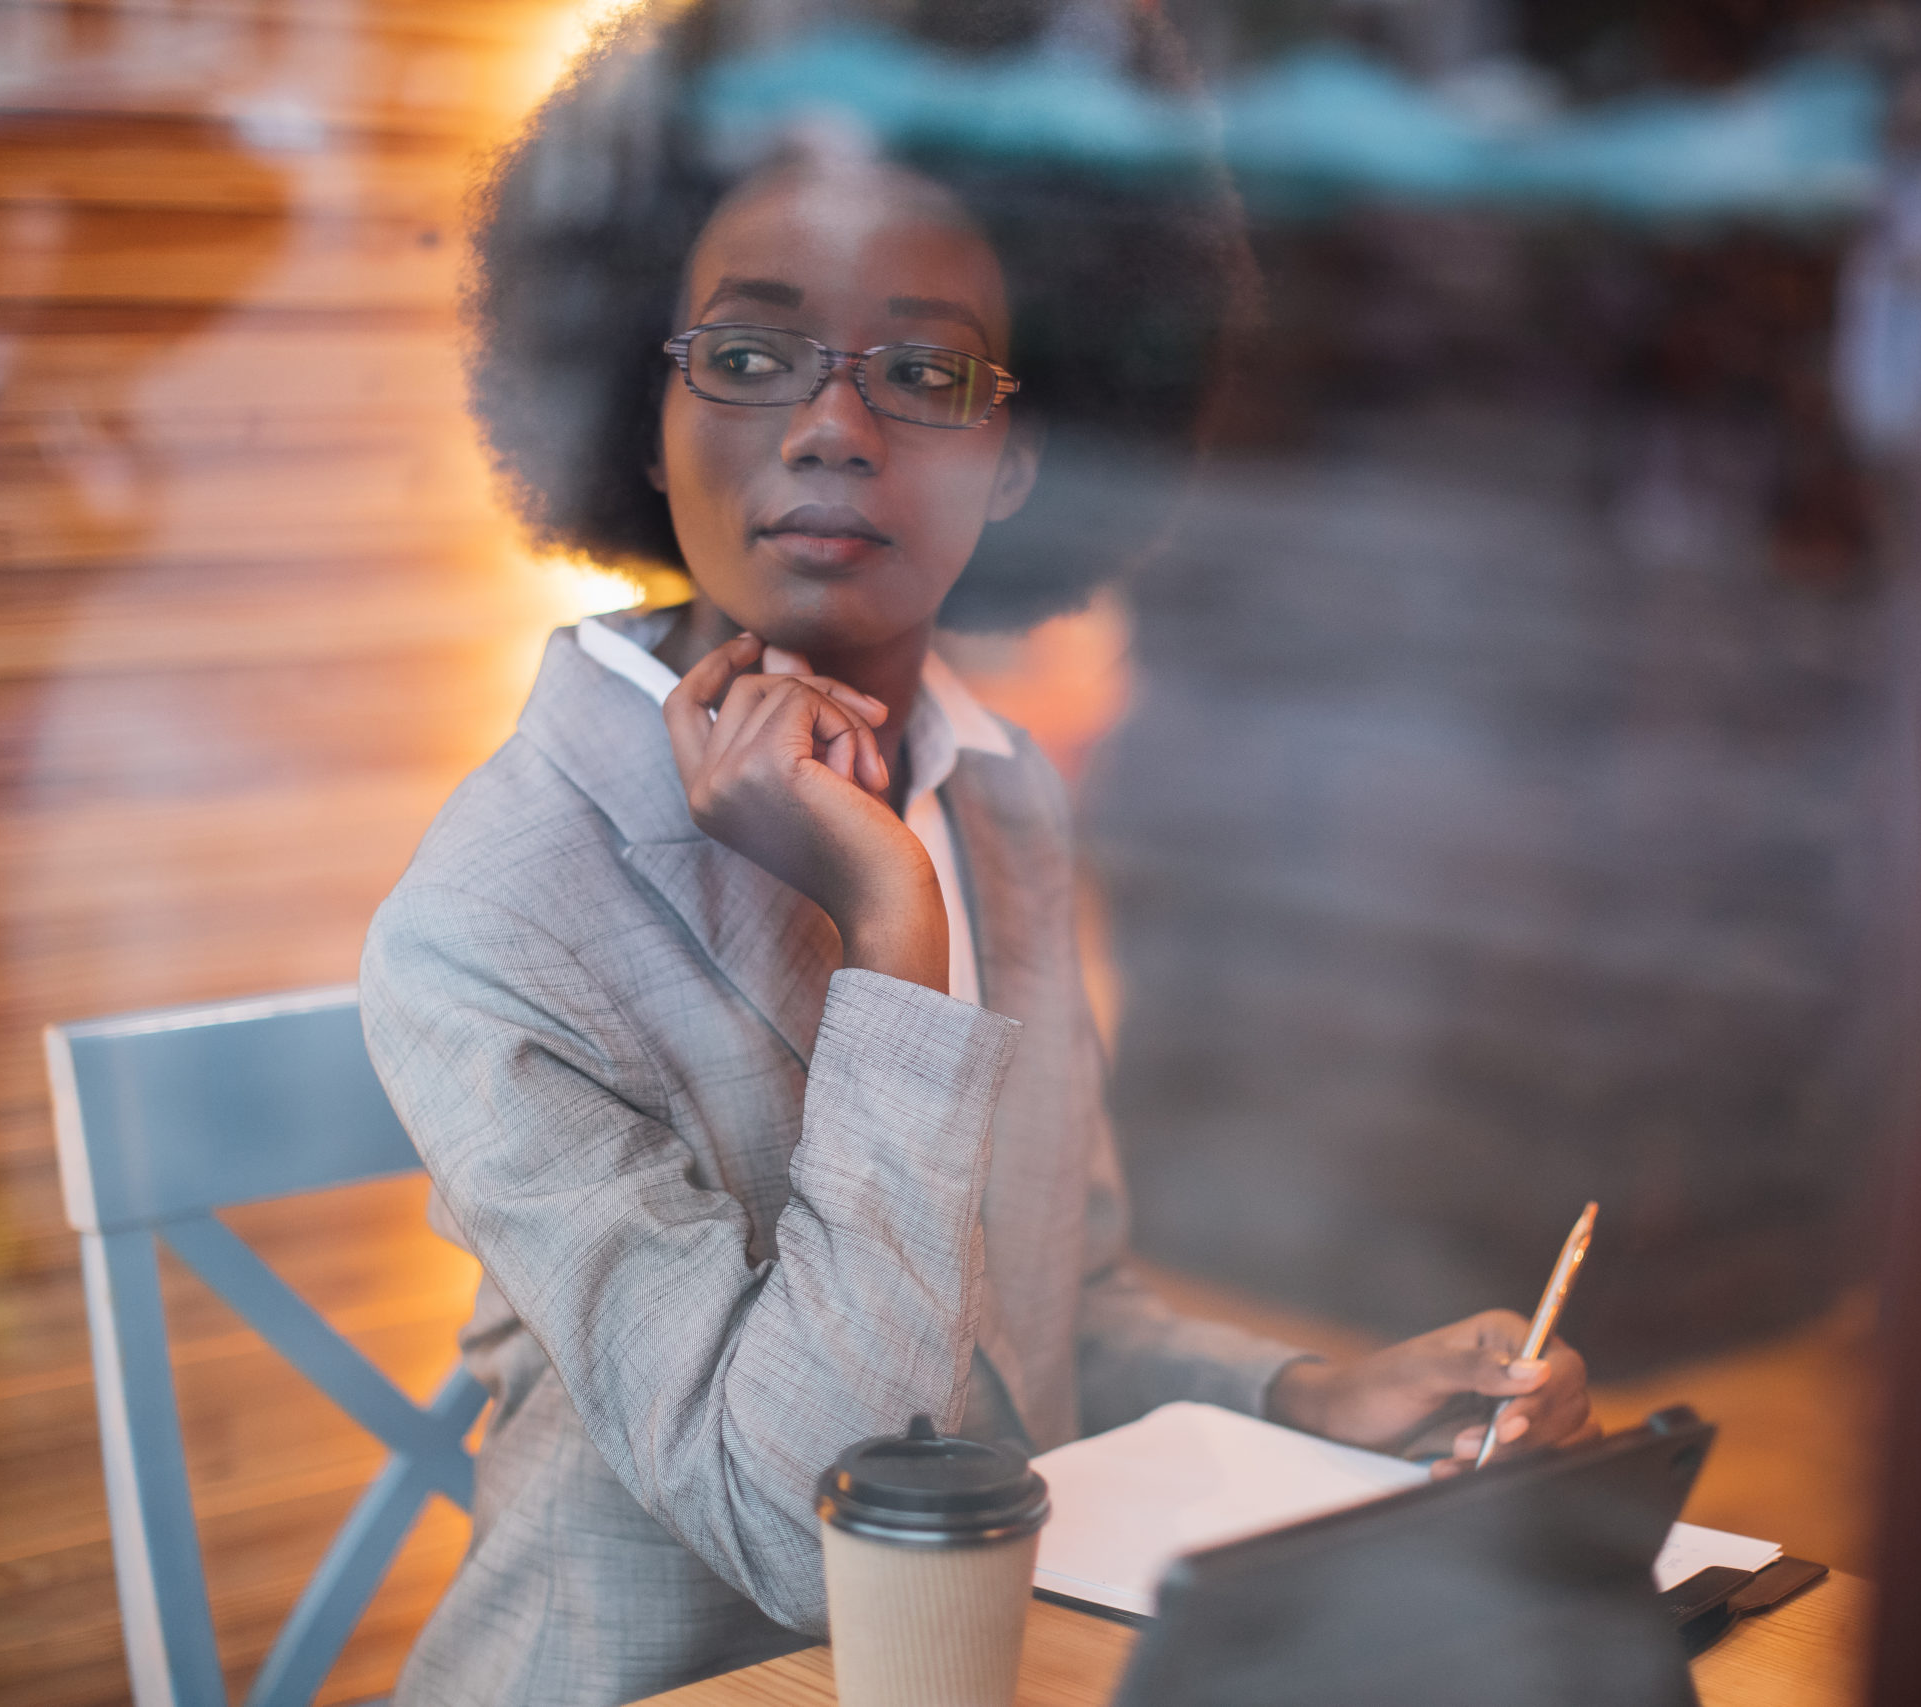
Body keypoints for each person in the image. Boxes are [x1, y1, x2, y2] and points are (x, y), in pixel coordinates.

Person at [361, 6, 1596, 1703]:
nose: (833, 429)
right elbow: (820, 1538)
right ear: (638, 417)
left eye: (927, 374)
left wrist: (1313, 1398)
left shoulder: (996, 797)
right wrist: (888, 922)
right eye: (749, 351)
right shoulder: (500, 917)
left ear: (1026, 456)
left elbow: (1042, 1326)